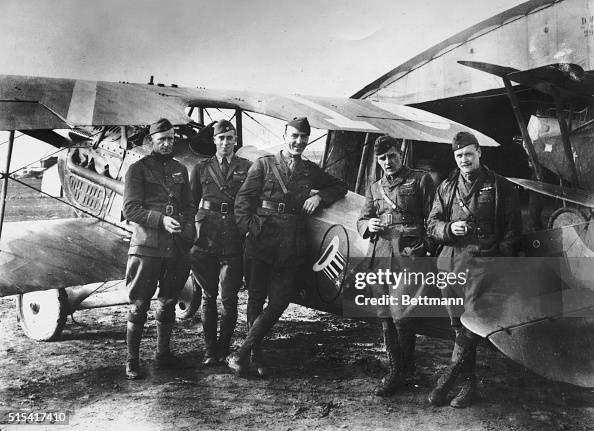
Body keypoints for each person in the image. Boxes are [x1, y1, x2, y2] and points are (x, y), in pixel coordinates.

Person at [228, 117, 347, 376]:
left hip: (291, 243)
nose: (299, 142)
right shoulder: (264, 165)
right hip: (260, 240)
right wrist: (249, 229)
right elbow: (243, 201)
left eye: (303, 137)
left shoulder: (309, 170)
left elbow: (340, 186)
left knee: (280, 300)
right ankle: (256, 357)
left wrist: (320, 196)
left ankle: (241, 353)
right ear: (285, 136)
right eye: (294, 136)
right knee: (256, 298)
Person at [426, 131, 522, 407]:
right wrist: (448, 228)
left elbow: (513, 231)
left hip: (484, 266)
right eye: (459, 156)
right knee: (458, 324)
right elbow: (432, 224)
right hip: (451, 264)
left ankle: (450, 378)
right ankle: (468, 385)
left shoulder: (501, 186)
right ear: (454, 158)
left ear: (480, 152)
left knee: (473, 324)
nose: (464, 159)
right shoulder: (446, 187)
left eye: (469, 153)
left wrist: (498, 263)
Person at [356, 135, 435, 396]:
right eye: (382, 158)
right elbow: (363, 218)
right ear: (377, 161)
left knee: (402, 312)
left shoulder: (420, 179)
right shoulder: (374, 186)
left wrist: (423, 247)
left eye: (391, 156)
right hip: (381, 255)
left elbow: (433, 219)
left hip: (409, 255)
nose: (387, 162)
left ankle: (399, 371)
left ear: (399, 153)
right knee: (385, 314)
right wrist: (368, 225)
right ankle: (399, 368)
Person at [122, 118, 194, 380]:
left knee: (169, 302)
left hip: (175, 247)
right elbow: (130, 209)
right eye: (162, 139)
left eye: (171, 139)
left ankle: (163, 354)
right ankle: (132, 360)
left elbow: (188, 206)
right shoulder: (138, 169)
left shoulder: (180, 169)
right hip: (147, 247)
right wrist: (161, 220)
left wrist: (186, 229)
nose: (167, 144)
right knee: (139, 305)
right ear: (152, 140)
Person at [189, 120, 251, 365]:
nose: (225, 143)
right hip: (205, 237)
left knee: (229, 298)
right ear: (214, 141)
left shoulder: (246, 167)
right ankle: (209, 351)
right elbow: (191, 204)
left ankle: (223, 350)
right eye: (221, 138)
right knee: (208, 295)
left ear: (236, 140)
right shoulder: (201, 168)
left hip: (233, 239)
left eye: (230, 138)